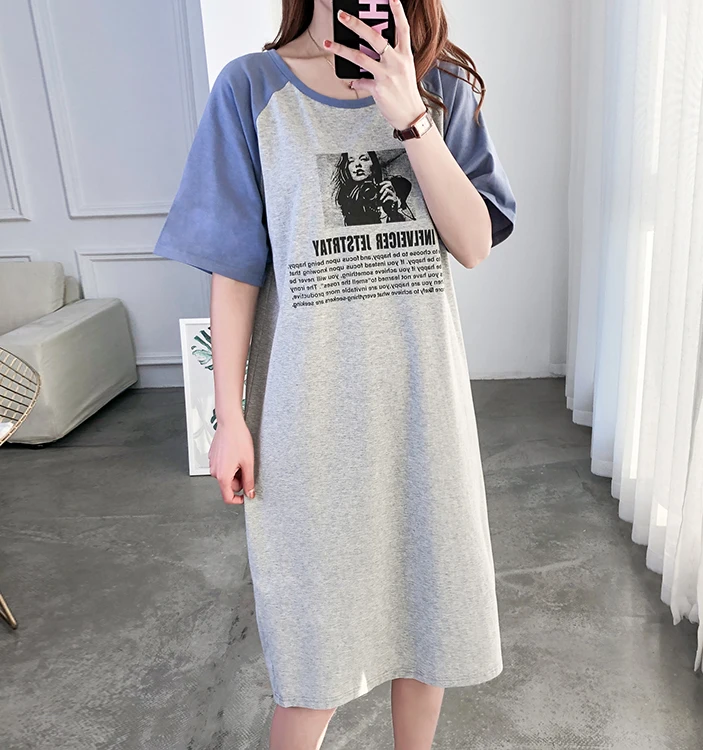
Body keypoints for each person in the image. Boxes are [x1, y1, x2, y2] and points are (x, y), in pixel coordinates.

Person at [153, 0, 517, 747]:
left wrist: (410, 116)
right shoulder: (252, 90)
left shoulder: (438, 84)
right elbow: (233, 269)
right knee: (312, 651)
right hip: (306, 417)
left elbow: (475, 243)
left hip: (423, 410)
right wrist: (229, 418)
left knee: (431, 621)